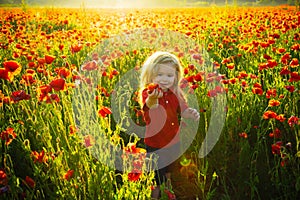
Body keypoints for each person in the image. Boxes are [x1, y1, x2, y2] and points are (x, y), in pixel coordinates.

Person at [139, 51, 200, 199]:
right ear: (150, 76)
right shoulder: (149, 93)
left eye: (169, 75)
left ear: (176, 77)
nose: (164, 79)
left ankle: (169, 193)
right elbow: (150, 106)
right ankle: (155, 196)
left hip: (173, 141)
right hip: (155, 143)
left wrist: (190, 113)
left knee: (169, 171)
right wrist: (153, 98)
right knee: (156, 175)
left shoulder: (175, 94)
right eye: (159, 75)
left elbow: (183, 111)